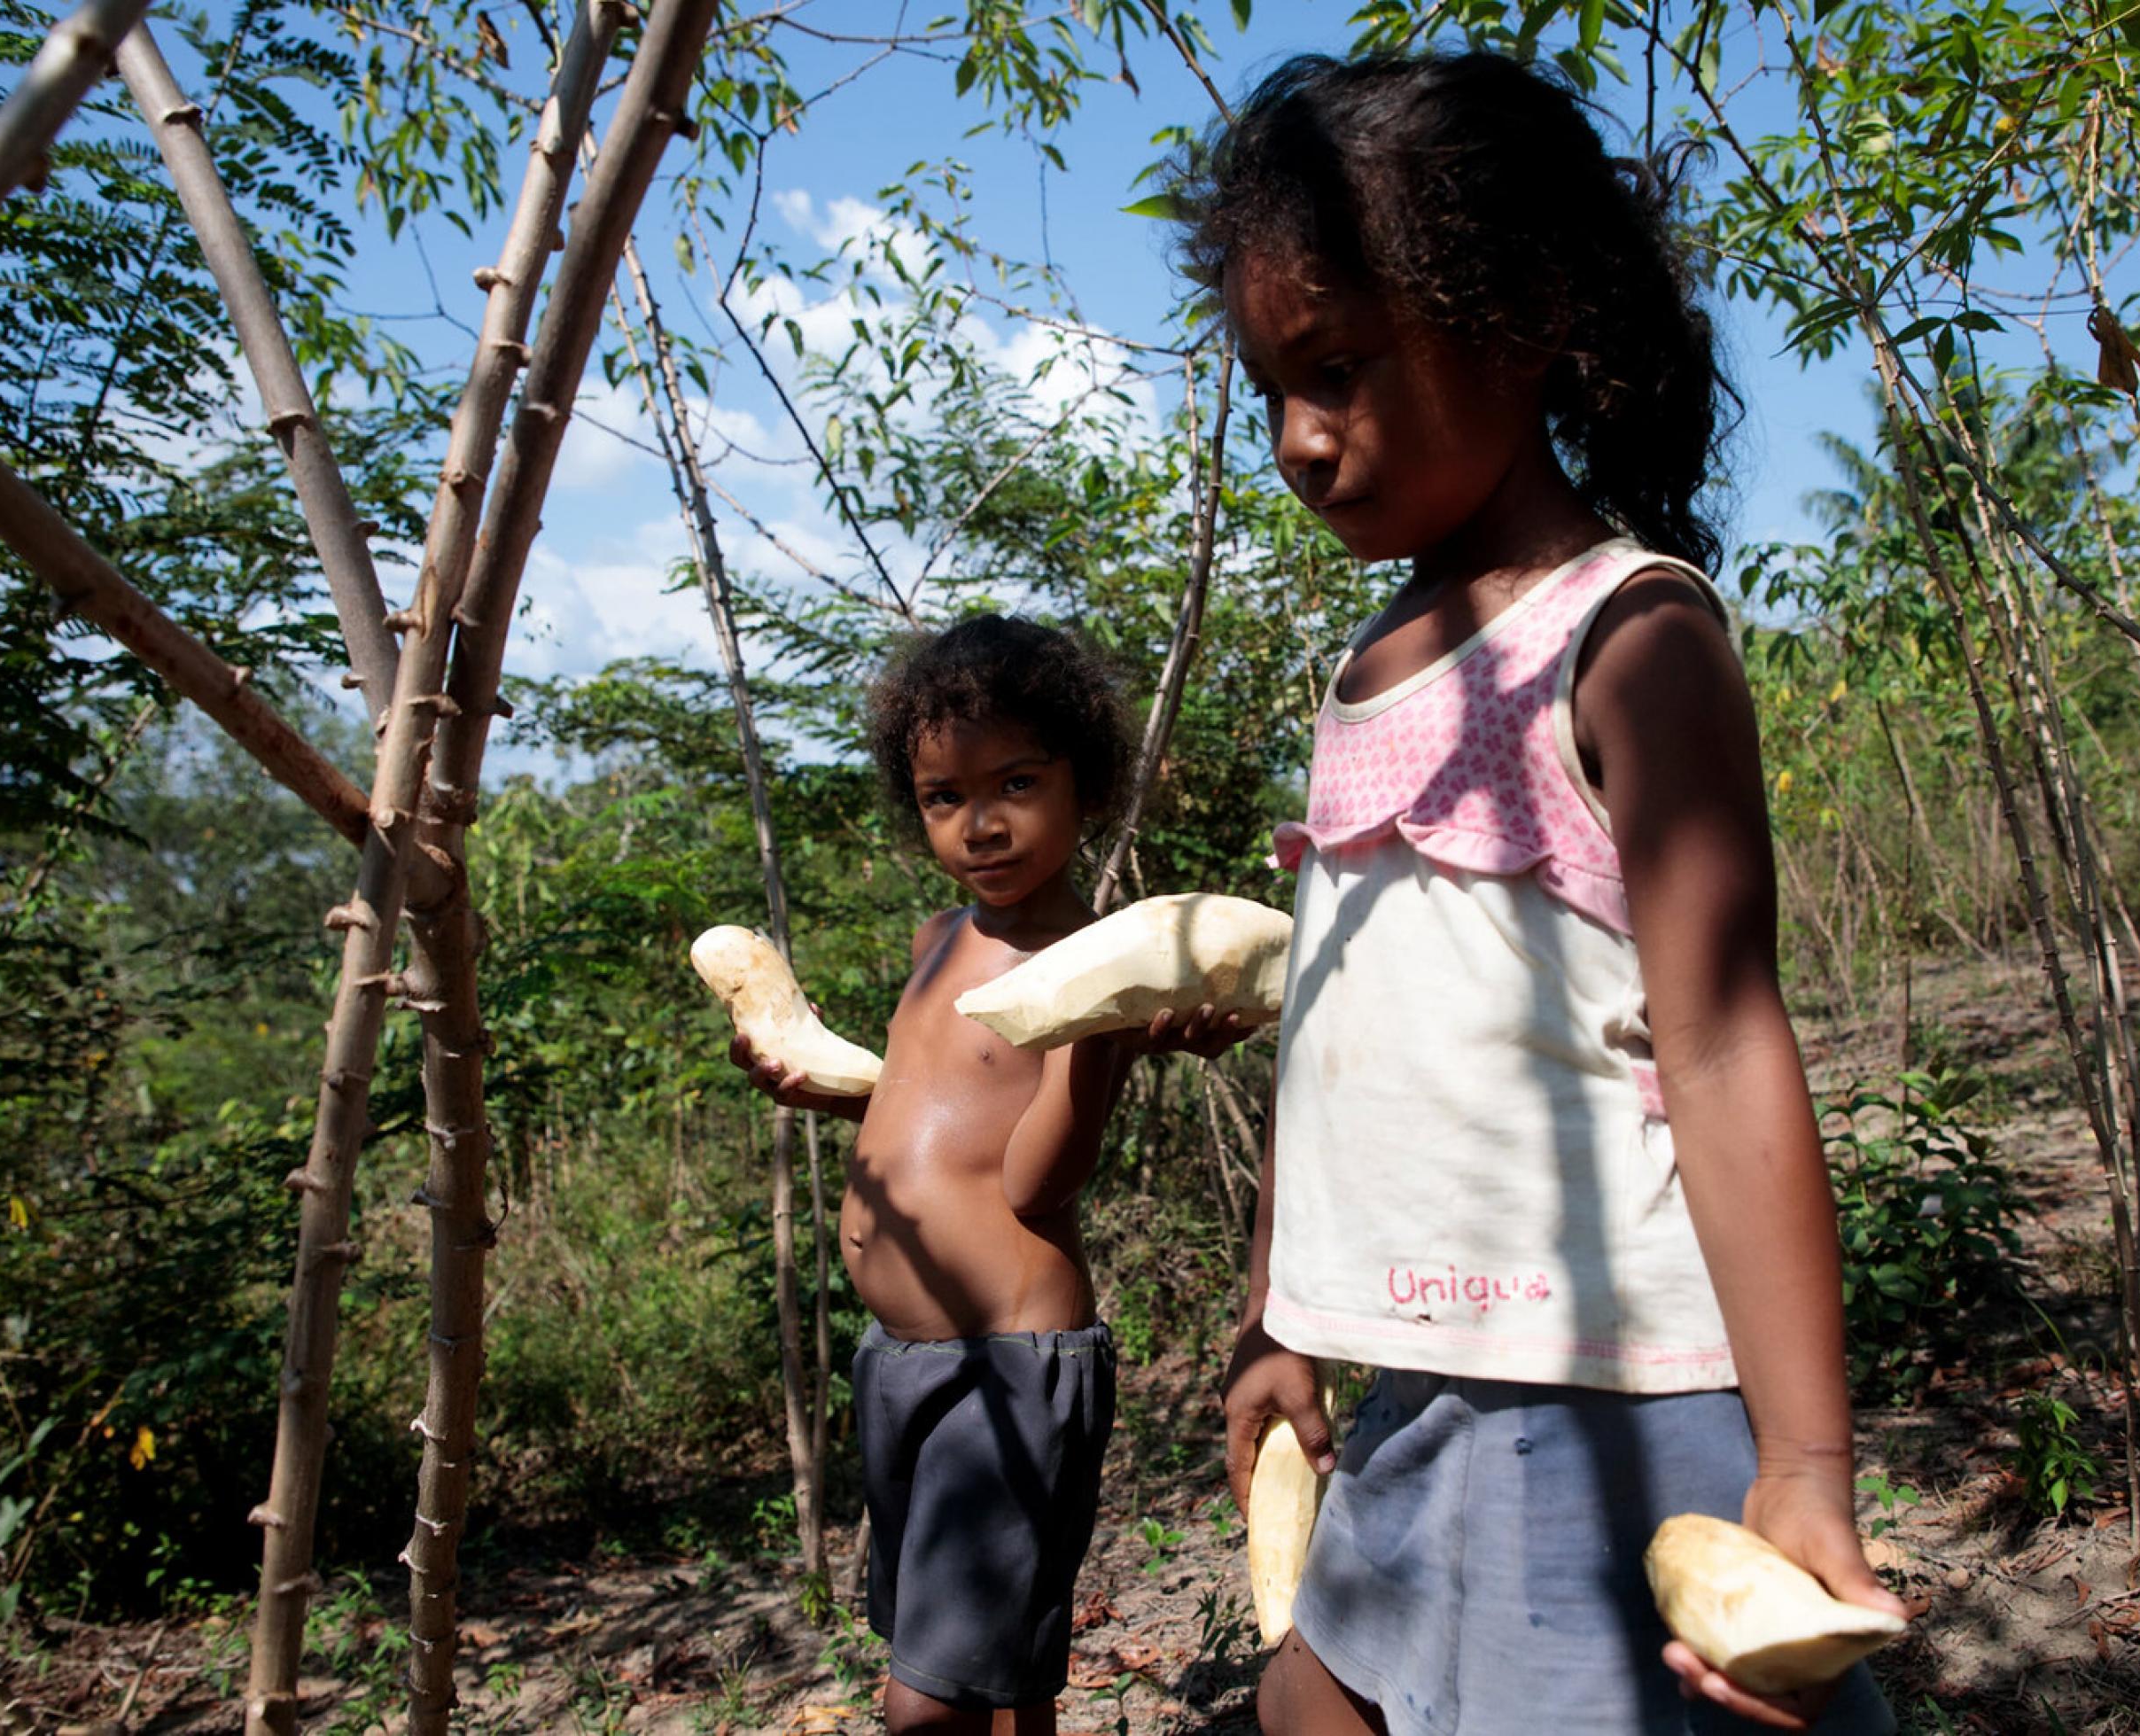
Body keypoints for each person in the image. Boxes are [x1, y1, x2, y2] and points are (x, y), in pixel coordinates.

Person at [1172, 52, 1910, 1735]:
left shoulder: (1628, 638)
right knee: (1312, 1702)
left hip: (1605, 1393)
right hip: (1421, 1380)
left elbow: (1720, 1043)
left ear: (1516, 318)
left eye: (1336, 368)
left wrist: (1801, 1463)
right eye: (1269, 386)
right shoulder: (1362, 667)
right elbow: (1329, 1016)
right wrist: (1277, 1315)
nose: (1296, 436)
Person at [729, 613, 1244, 1736]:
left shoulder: (1091, 966)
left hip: (1004, 1362)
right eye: (943, 796)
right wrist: (826, 1088)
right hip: (903, 1359)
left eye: (1016, 781)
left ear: (1085, 783)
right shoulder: (934, 939)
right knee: (998, 1683)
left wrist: (1103, 1033)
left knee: (929, 1704)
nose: (981, 824)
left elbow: (1036, 1181)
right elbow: (942, 1104)